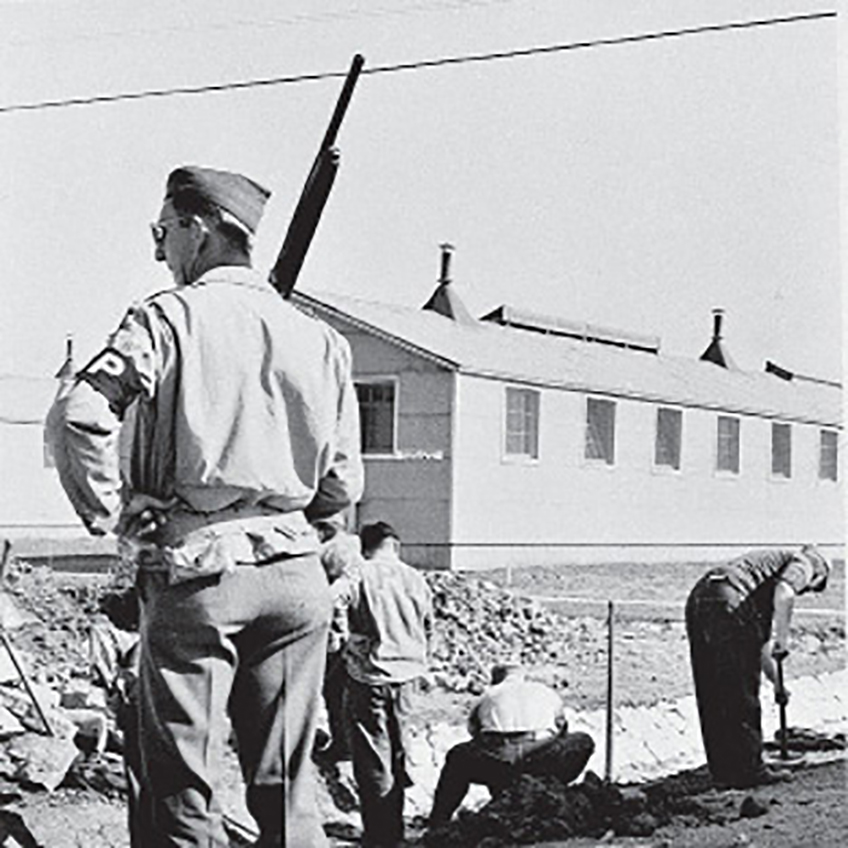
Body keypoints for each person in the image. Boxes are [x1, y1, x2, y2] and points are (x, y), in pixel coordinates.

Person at [47, 165, 363, 848]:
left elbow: (80, 414)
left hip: (198, 574)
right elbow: (340, 483)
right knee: (288, 794)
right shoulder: (321, 340)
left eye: (163, 232)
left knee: (182, 794)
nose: (160, 251)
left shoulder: (166, 320)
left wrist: (116, 514)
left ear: (198, 229)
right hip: (296, 577)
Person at [685, 545, 831, 789]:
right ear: (819, 573)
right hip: (731, 598)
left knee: (712, 691)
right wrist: (783, 640)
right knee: (740, 693)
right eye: (811, 587)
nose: (805, 590)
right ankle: (751, 771)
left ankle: (723, 772)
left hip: (701, 596)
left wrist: (778, 684)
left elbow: (759, 646)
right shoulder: (805, 562)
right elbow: (785, 592)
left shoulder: (760, 583)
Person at [344, 521, 433, 848]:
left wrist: (346, 640)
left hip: (369, 675)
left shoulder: (358, 573)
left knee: (373, 756)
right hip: (408, 676)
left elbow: (330, 603)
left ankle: (381, 836)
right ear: (395, 546)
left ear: (364, 547)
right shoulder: (415, 578)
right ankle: (396, 829)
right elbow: (429, 627)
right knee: (400, 751)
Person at [428, 664, 595, 827]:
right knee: (583, 740)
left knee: (458, 756)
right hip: (541, 756)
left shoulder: (488, 696)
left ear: (496, 679)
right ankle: (551, 789)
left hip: (501, 758)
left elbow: (476, 734)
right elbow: (562, 727)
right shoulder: (544, 692)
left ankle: (439, 820)